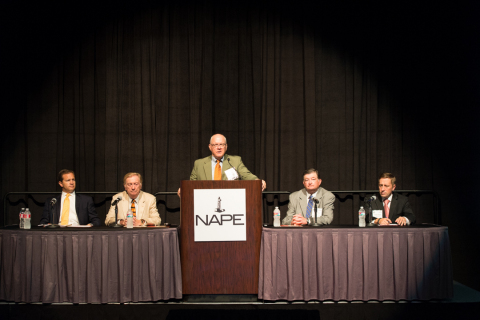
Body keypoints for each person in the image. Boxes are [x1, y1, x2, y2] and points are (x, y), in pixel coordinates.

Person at [178, 134, 266, 196]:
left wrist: (257, 180)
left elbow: (246, 175)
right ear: (210, 147)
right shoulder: (199, 164)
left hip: (229, 201)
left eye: (221, 144)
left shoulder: (235, 161)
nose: (219, 147)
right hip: (206, 201)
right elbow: (191, 184)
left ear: (226, 146)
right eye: (215, 145)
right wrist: (184, 190)